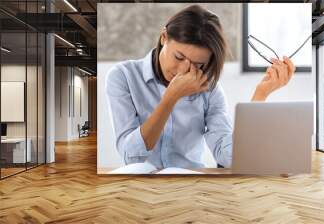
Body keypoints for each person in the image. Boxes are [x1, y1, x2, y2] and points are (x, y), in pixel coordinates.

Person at [105, 5, 295, 169]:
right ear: (164, 37)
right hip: (139, 188)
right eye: (179, 57)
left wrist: (260, 95)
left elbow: (228, 157)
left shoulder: (210, 89)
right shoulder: (123, 76)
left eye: (198, 64)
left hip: (192, 186)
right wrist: (171, 98)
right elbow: (131, 156)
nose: (184, 70)